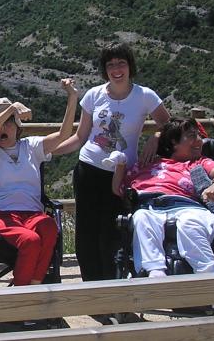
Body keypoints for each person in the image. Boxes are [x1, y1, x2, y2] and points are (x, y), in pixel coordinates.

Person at [54, 43, 171, 286]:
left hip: (121, 174)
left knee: (113, 231)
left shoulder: (145, 96)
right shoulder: (94, 95)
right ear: (104, 69)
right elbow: (80, 137)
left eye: (121, 63)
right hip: (88, 169)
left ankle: (112, 285)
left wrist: (155, 138)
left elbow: (170, 125)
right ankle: (91, 286)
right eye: (110, 65)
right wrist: (49, 152)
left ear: (130, 66)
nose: (116, 69)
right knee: (86, 231)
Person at [0, 79, 78, 286]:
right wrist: (11, 109)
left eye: (8, 122)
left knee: (49, 228)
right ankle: (21, 298)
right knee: (30, 241)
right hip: (1, 214)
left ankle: (32, 285)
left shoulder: (31, 146)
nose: (3, 127)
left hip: (32, 213)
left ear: (17, 126)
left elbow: (64, 135)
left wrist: (72, 97)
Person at [112, 119, 214, 277]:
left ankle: (209, 274)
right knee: (142, 218)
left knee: (189, 222)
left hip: (188, 206)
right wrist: (120, 165)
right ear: (174, 142)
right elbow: (119, 189)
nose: (199, 140)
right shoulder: (147, 164)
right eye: (192, 136)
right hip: (151, 206)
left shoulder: (200, 162)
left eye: (198, 136)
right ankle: (155, 272)